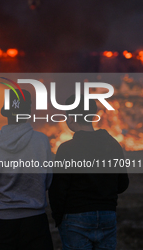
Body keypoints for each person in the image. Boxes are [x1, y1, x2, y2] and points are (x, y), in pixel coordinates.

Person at [49, 95, 129, 250]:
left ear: (71, 118)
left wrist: (58, 218)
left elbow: (57, 190)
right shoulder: (113, 144)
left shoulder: (66, 149)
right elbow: (123, 183)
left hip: (75, 217)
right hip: (107, 215)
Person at [0, 89, 53, 250]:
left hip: (4, 223)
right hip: (35, 222)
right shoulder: (41, 141)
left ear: (6, 113)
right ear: (28, 112)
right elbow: (48, 180)